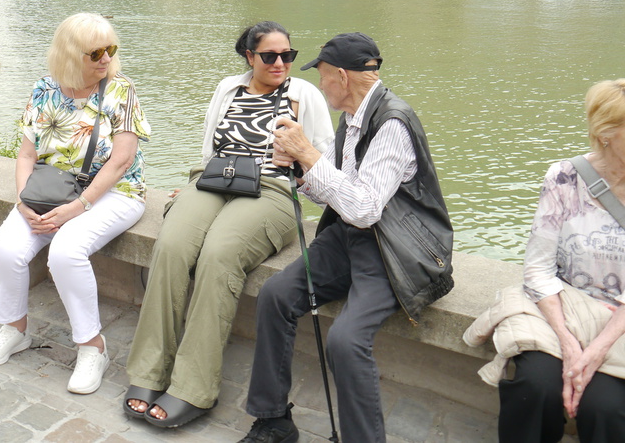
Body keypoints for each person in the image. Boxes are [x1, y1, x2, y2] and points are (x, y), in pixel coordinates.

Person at [238, 32, 453, 443]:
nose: (320, 85)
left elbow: (365, 208)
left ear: (341, 76)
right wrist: (300, 169)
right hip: (350, 236)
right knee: (275, 295)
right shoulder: (352, 118)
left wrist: (309, 154)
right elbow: (338, 193)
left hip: (393, 249)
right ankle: (273, 419)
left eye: (322, 76)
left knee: (346, 340)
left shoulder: (392, 123)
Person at [123, 21, 333, 428]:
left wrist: (300, 161)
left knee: (219, 255)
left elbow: (324, 163)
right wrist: (191, 188)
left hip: (272, 191)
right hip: (215, 180)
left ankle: (194, 387)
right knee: (171, 246)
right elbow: (209, 148)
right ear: (249, 56)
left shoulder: (303, 95)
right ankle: (149, 371)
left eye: (287, 55)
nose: (280, 63)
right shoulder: (228, 88)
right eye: (269, 56)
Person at [0, 13, 150, 395]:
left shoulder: (120, 90)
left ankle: (92, 347)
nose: (107, 58)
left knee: (66, 252)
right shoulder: (44, 89)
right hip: (51, 189)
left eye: (110, 49)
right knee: (6, 248)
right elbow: (26, 155)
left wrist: (78, 207)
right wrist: (23, 203)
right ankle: (14, 328)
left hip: (115, 192)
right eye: (95, 53)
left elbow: (122, 161)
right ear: (70, 55)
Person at [465, 80, 625, 443]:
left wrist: (595, 350)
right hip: (564, 306)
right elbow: (538, 268)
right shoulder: (564, 178)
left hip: (620, 319)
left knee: (605, 407)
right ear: (606, 133)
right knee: (535, 387)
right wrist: (568, 342)